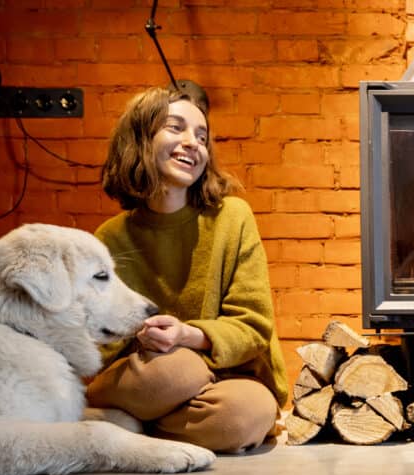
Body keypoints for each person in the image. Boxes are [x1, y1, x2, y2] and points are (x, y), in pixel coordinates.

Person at [85, 84, 288, 452]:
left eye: (202, 135)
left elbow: (254, 325)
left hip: (228, 378)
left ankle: (129, 427)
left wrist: (186, 336)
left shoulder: (234, 217)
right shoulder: (110, 238)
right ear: (141, 139)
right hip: (152, 373)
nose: (193, 142)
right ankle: (151, 419)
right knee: (173, 372)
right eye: (175, 128)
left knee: (238, 417)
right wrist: (142, 338)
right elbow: (98, 344)